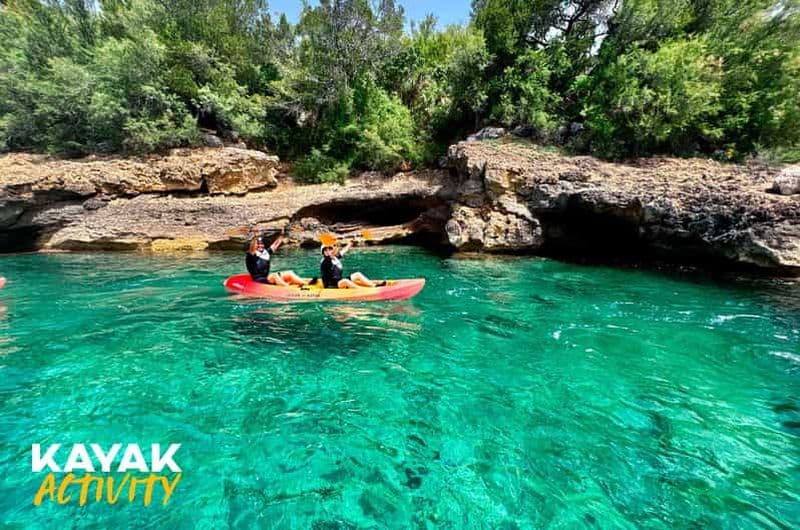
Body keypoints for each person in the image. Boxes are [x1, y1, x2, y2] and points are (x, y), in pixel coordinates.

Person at [320, 242, 385, 289]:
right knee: (345, 281)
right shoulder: (325, 261)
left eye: (329, 249)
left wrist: (350, 244)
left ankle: (373, 286)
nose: (328, 251)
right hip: (331, 285)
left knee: (357, 274)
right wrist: (336, 246)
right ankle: (362, 291)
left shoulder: (335, 257)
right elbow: (331, 255)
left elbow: (343, 251)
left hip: (339, 281)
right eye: (326, 250)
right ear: (323, 253)